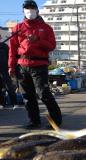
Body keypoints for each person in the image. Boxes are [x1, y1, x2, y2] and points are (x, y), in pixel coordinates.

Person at [8, 0, 62, 129]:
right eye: (27, 8)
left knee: (44, 94)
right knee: (27, 96)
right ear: (23, 11)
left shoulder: (46, 28)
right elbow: (13, 48)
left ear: (37, 10)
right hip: (22, 65)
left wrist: (38, 40)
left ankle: (56, 121)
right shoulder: (18, 27)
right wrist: (11, 66)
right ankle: (34, 121)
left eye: (32, 8)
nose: (29, 10)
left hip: (39, 64)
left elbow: (52, 46)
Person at [0, 34, 19, 109]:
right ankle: (2, 104)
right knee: (1, 88)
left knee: (9, 87)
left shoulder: (5, 46)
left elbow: (11, 57)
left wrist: (11, 67)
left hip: (5, 70)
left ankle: (14, 103)